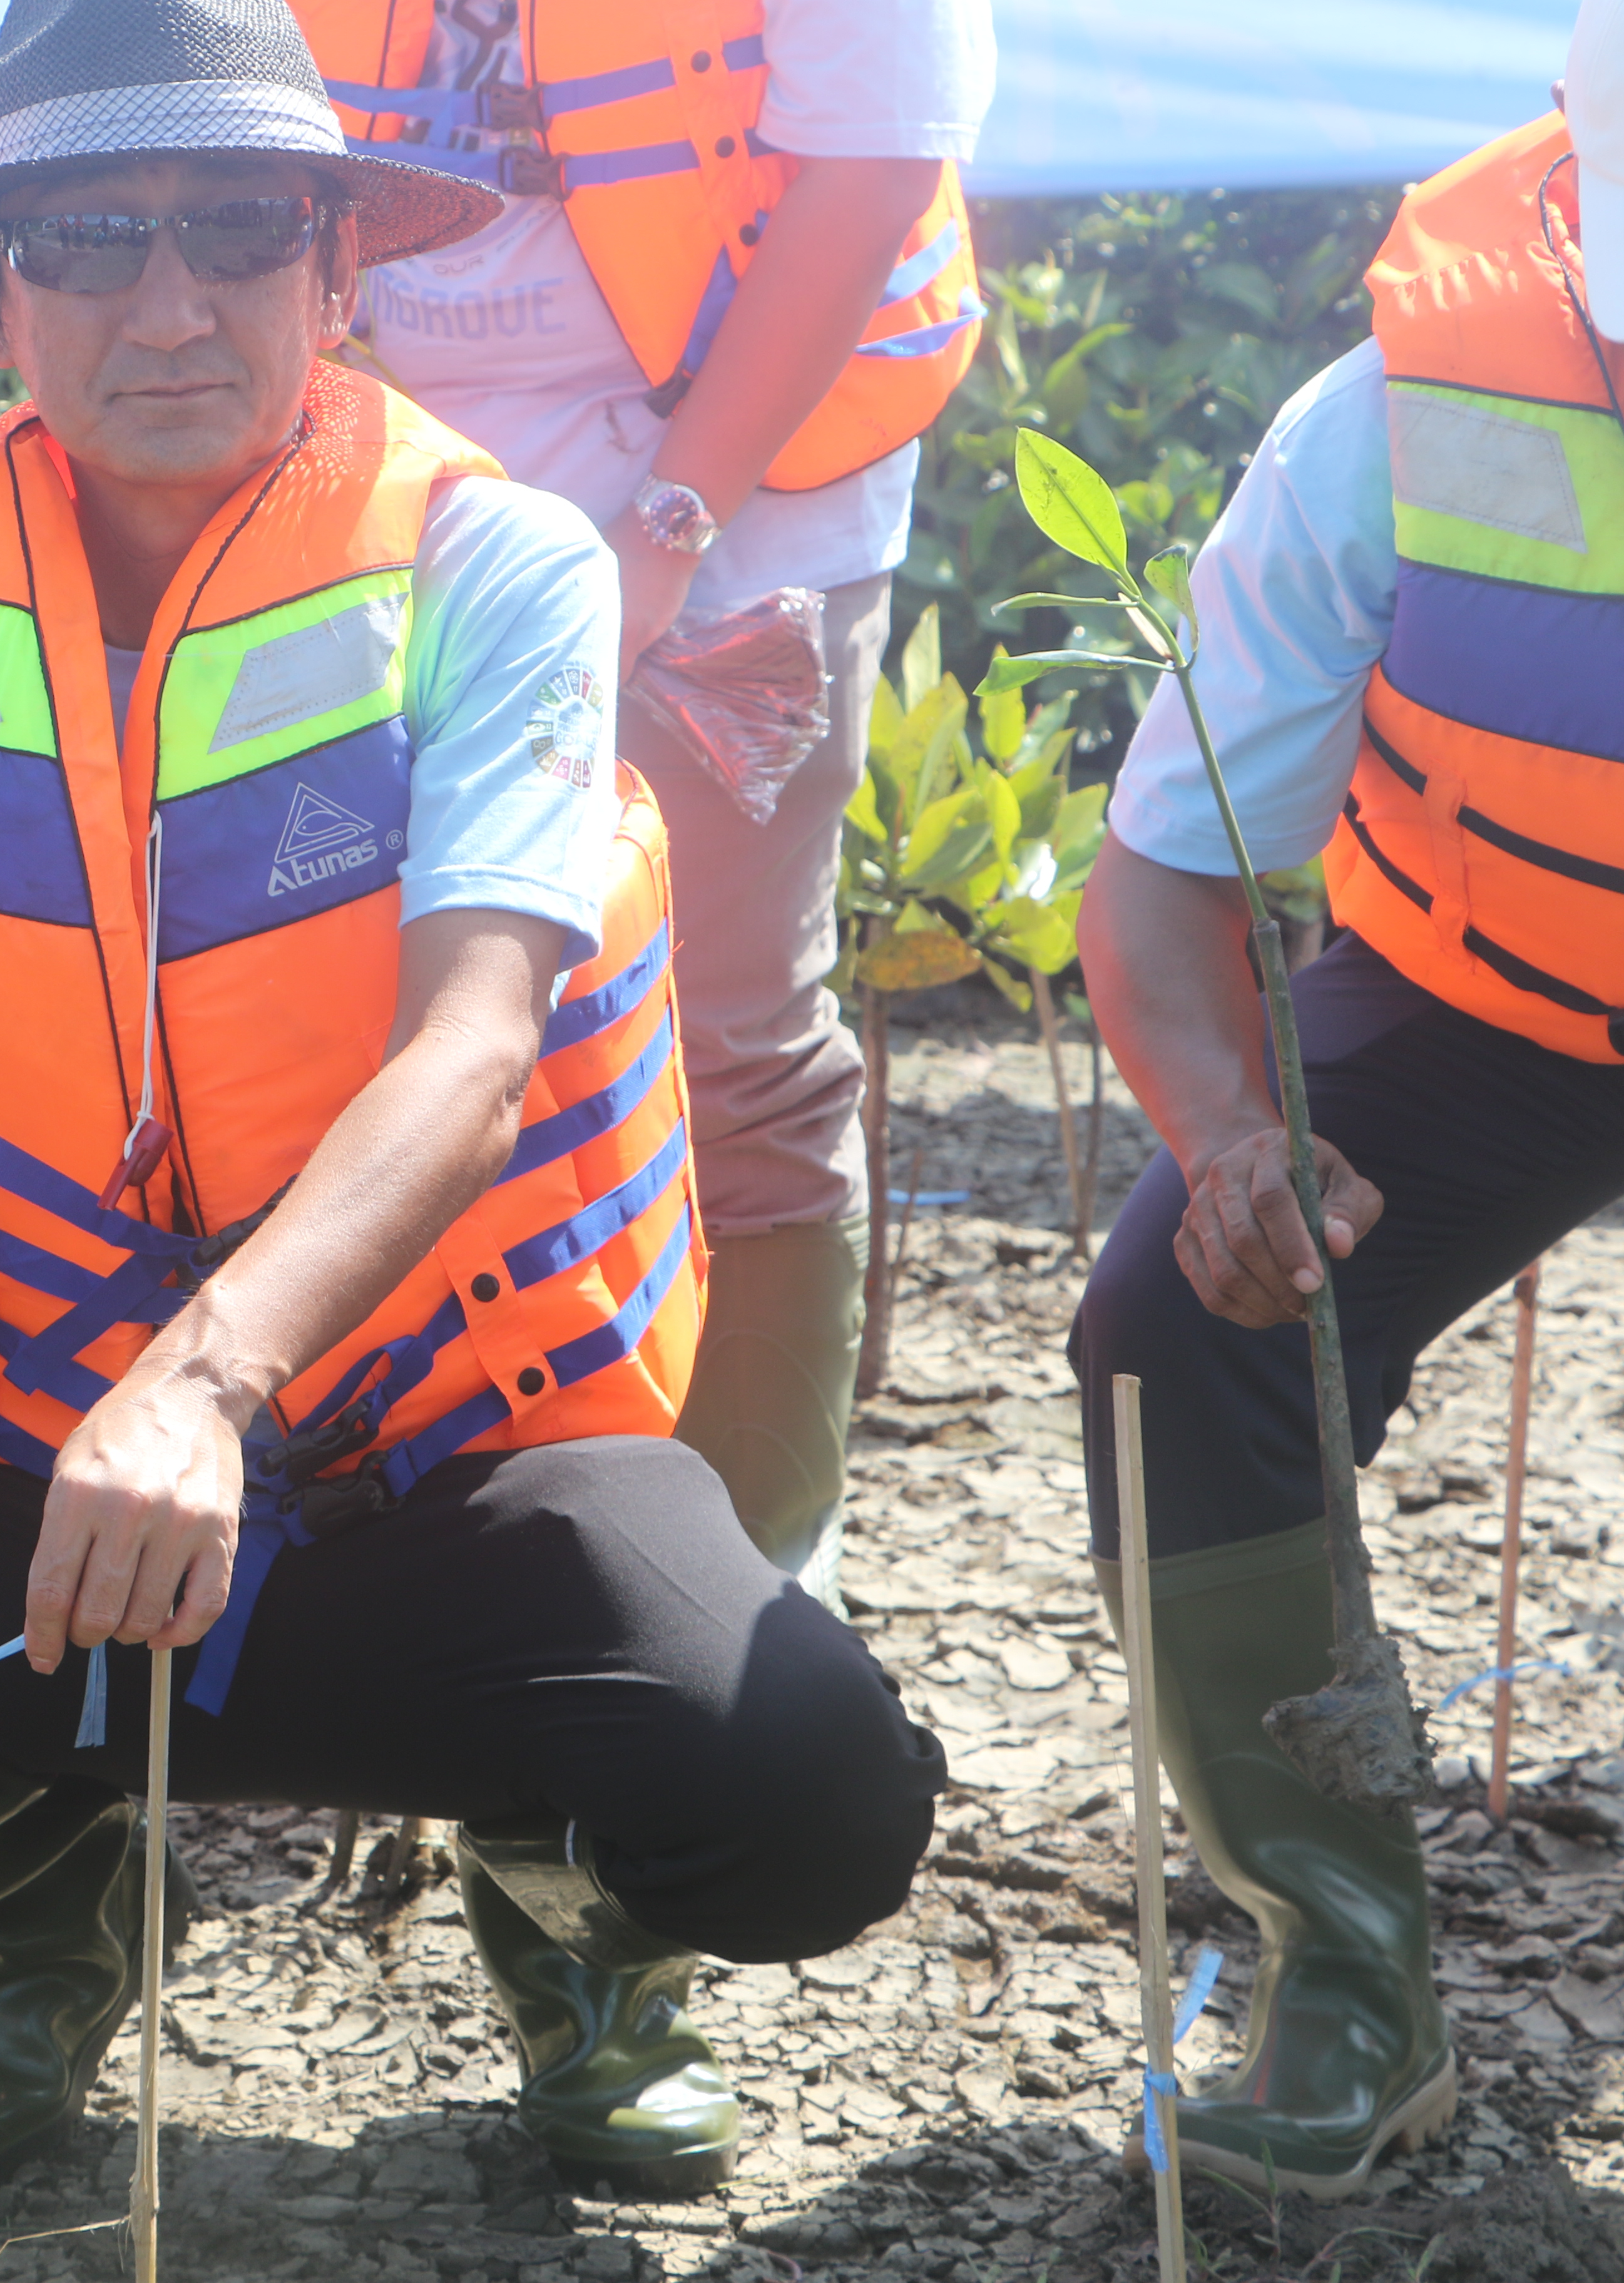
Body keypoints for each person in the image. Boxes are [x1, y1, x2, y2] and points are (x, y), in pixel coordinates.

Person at [0, 0, 947, 2204]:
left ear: (338, 272)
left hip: (445, 1475)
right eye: (83, 241)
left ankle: (569, 1908)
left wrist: (202, 1378)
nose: (166, 303)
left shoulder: (502, 574)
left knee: (812, 1785)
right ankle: (34, 1902)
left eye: (237, 231)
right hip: (40, 1510)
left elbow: (471, 1042)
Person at [1069, 0, 1624, 2198]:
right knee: (1177, 1319)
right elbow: (1163, 882)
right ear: (1573, 188)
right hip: (1495, 983)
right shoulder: (1383, 421)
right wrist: (1232, 1135)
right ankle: (1346, 1963)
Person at [289, 0, 994, 1608]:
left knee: (733, 1032)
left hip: (749, 500)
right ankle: (463, 1577)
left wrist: (668, 529)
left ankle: (752, 1588)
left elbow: (877, 159)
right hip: (403, 477)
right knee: (407, 1024)